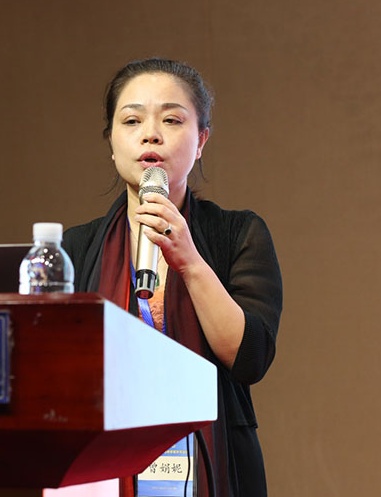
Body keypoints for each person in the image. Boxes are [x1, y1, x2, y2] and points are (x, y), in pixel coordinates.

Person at [62, 58, 282, 497]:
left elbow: (249, 359)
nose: (151, 134)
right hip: (105, 459)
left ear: (201, 141)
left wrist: (191, 263)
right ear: (112, 143)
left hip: (208, 459)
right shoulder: (76, 247)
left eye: (171, 120)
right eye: (132, 121)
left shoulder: (238, 233)